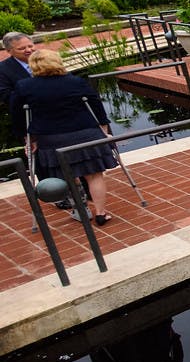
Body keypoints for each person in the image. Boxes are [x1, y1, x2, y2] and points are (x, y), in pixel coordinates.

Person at [10, 50, 116, 224]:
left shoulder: (24, 86)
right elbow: (96, 104)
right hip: (86, 133)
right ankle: (101, 213)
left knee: (69, 176)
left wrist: (28, 139)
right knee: (95, 175)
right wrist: (103, 129)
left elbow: (18, 116)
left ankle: (81, 211)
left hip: (51, 138)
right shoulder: (75, 81)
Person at [0, 31, 36, 110]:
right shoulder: (2, 69)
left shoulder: (45, 60)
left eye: (30, 46)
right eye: (22, 48)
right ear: (9, 51)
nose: (28, 50)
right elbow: (6, 96)